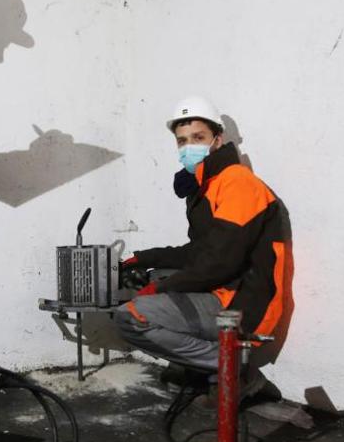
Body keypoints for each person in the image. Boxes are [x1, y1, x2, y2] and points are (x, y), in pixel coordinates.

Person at [113, 97, 292, 377]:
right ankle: (203, 370)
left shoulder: (238, 182)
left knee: (131, 316)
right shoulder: (205, 186)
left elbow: (219, 262)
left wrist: (160, 289)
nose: (189, 147)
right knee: (154, 275)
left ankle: (231, 368)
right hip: (223, 289)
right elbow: (200, 251)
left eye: (198, 138)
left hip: (242, 302)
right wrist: (143, 258)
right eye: (182, 141)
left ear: (217, 140)